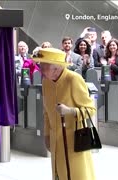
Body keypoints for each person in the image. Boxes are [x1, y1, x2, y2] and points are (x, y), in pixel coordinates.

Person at [33, 48, 96, 180]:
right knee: (58, 174)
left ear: (56, 68)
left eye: (44, 65)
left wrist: (71, 111)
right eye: (40, 65)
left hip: (75, 141)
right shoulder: (46, 82)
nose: (40, 69)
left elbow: (91, 110)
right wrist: (46, 135)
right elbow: (46, 112)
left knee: (77, 175)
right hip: (56, 141)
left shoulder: (73, 79)